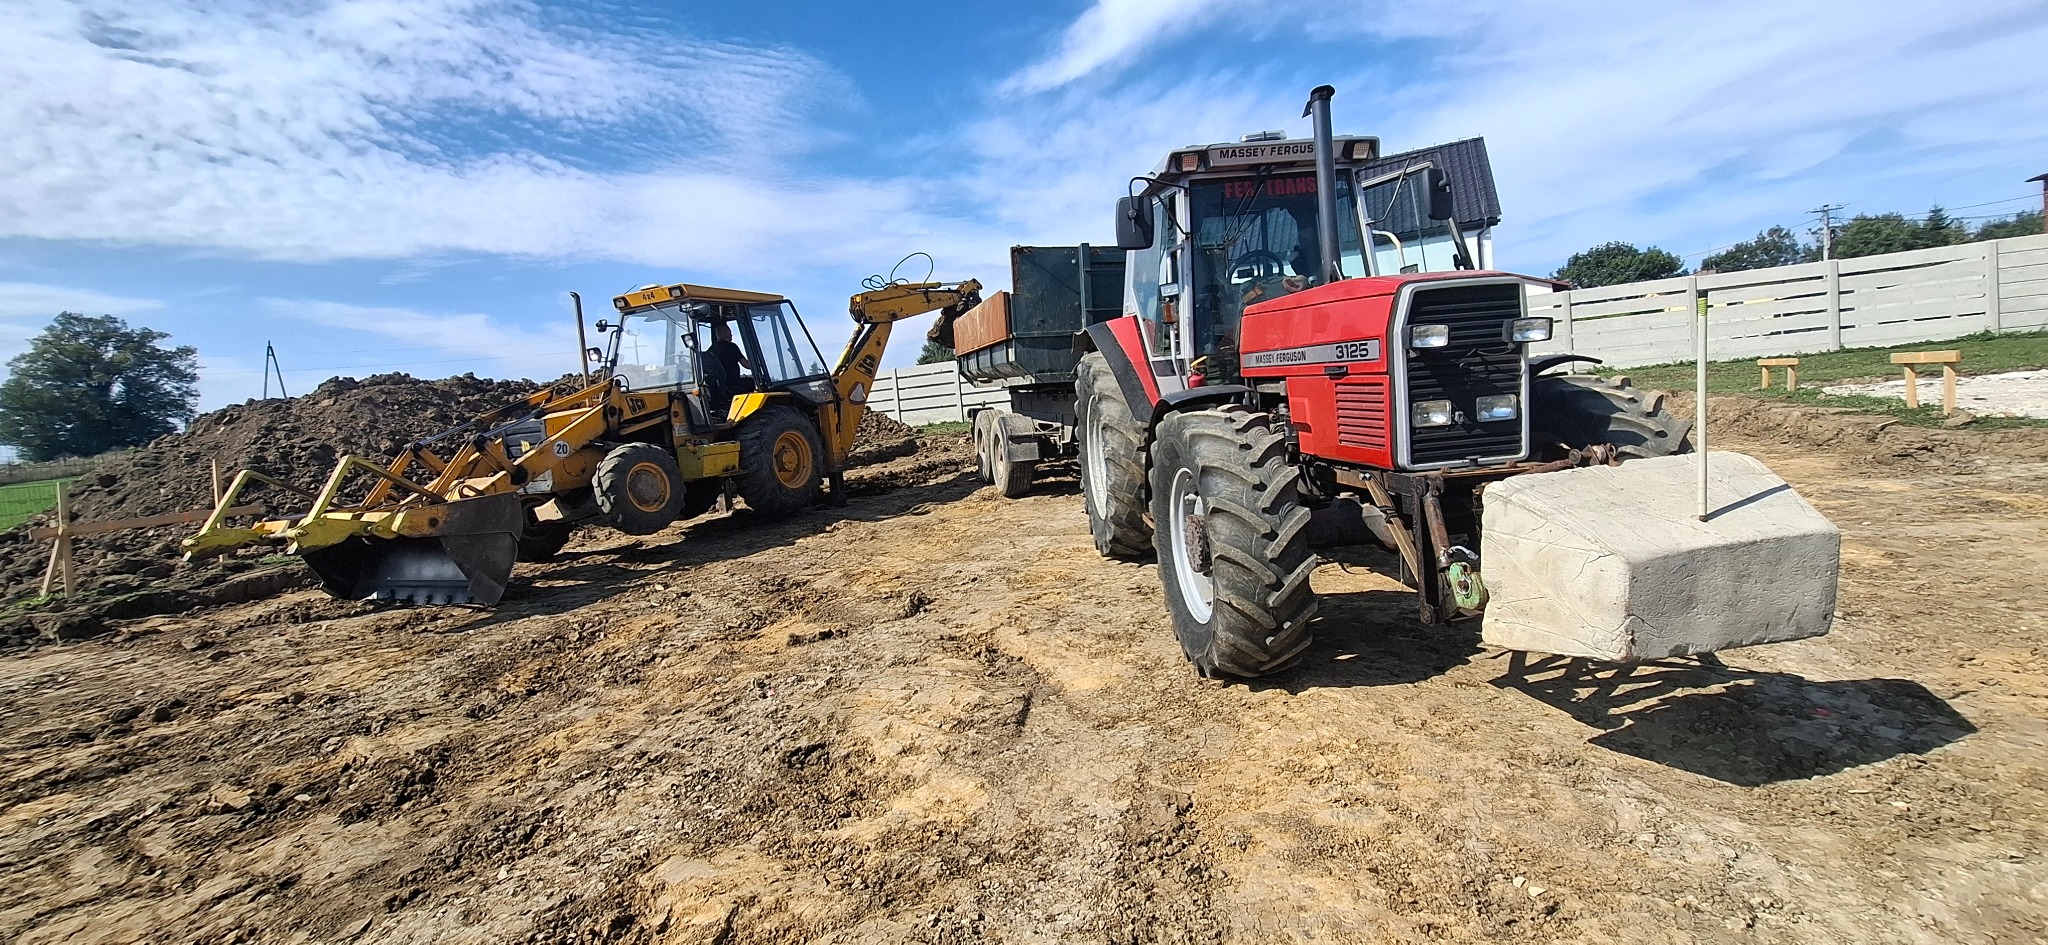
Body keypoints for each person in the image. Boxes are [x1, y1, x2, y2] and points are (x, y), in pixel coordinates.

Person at [702, 320, 753, 419]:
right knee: (752, 382)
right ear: (726, 333)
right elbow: (747, 365)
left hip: (718, 388)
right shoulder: (731, 347)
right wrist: (757, 363)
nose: (732, 336)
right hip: (733, 384)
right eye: (730, 333)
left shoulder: (711, 350)